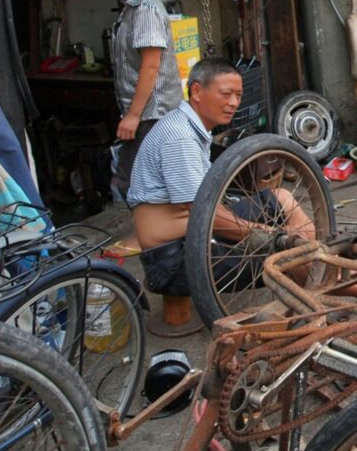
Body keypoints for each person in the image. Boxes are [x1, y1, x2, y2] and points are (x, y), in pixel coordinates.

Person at [128, 58, 314, 297]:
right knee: (287, 255)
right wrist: (270, 235)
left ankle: (319, 266)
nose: (234, 103)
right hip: (174, 260)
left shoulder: (189, 126)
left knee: (283, 199)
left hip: (197, 234)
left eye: (238, 95)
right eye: (226, 94)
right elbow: (200, 211)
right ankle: (348, 287)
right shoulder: (180, 138)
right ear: (196, 91)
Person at [108, 0, 182, 203]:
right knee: (149, 182)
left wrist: (133, 116)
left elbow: (151, 66)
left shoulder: (146, 8)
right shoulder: (134, 4)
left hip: (151, 116)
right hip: (148, 115)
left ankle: (152, 239)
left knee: (134, 184)